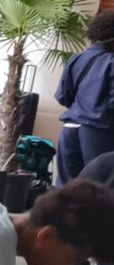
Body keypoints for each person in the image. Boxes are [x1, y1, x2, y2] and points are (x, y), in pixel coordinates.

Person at [58, 11, 114, 185]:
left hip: (69, 129)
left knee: (65, 189)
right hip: (98, 132)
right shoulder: (112, 62)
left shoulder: (77, 59)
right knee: (98, 188)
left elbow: (62, 97)